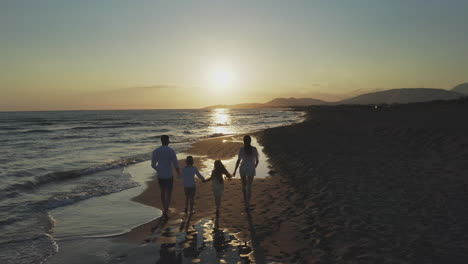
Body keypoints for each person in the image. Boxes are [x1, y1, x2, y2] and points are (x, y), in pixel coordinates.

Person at [151, 135, 180, 217]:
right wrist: (178, 173)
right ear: (167, 141)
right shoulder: (171, 151)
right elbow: (175, 163)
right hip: (168, 174)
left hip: (160, 174)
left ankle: (164, 207)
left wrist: (158, 169)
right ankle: (166, 207)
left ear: (161, 141)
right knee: (169, 192)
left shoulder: (156, 151)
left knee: (162, 191)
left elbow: (153, 165)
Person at [233, 135, 259, 208]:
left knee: (244, 186)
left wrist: (234, 171)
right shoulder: (254, 149)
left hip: (243, 168)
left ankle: (245, 202)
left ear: (243, 141)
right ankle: (248, 203)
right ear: (250, 141)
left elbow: (238, 160)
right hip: (251, 168)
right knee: (249, 187)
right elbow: (257, 161)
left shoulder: (241, 149)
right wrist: (255, 166)